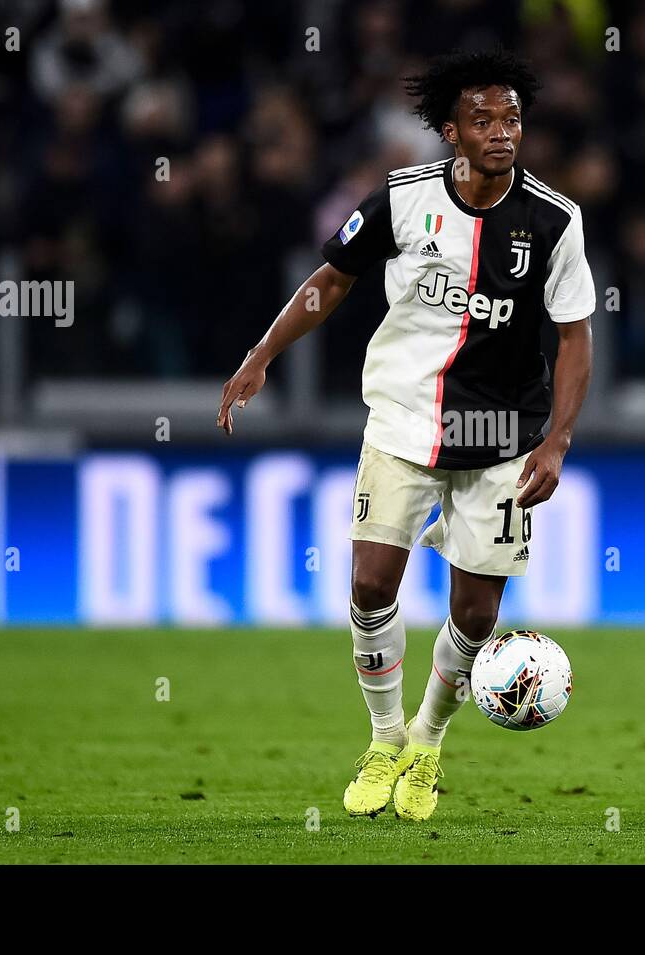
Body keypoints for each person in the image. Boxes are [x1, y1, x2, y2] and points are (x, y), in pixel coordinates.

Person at [217, 50, 595, 821]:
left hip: (503, 436)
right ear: (451, 130)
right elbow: (331, 280)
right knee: (367, 584)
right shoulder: (400, 198)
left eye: (512, 117)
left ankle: (427, 743)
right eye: (483, 119)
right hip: (403, 419)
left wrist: (556, 441)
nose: (502, 132)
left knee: (477, 615)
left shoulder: (555, 219)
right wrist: (262, 354)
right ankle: (385, 738)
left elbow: (576, 336)